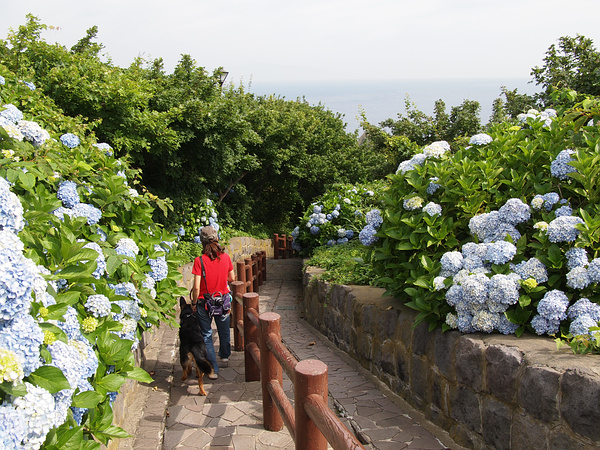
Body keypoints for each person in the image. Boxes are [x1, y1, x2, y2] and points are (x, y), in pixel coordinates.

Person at [191, 226, 235, 379]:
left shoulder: (199, 261)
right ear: (217, 239)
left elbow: (196, 287)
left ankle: (213, 369)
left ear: (202, 242)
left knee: (206, 334)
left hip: (204, 301)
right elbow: (232, 278)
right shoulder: (226, 257)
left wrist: (194, 303)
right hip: (222, 300)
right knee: (224, 330)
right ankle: (224, 355)